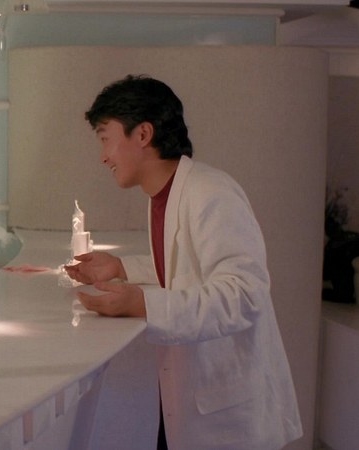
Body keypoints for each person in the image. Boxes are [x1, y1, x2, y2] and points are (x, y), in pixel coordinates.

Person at [64, 75, 302, 449]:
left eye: (106, 138)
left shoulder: (210, 191)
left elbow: (244, 294)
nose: (103, 156)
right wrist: (122, 268)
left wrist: (143, 304)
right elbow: (191, 265)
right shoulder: (165, 194)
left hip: (230, 416)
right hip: (192, 403)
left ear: (143, 134)